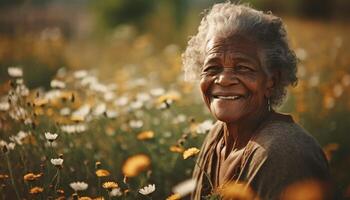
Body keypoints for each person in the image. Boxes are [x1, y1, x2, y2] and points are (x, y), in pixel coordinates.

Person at [182, 2, 330, 200]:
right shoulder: (216, 136)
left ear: (271, 81)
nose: (224, 79)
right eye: (213, 67)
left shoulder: (284, 153)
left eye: (243, 68)